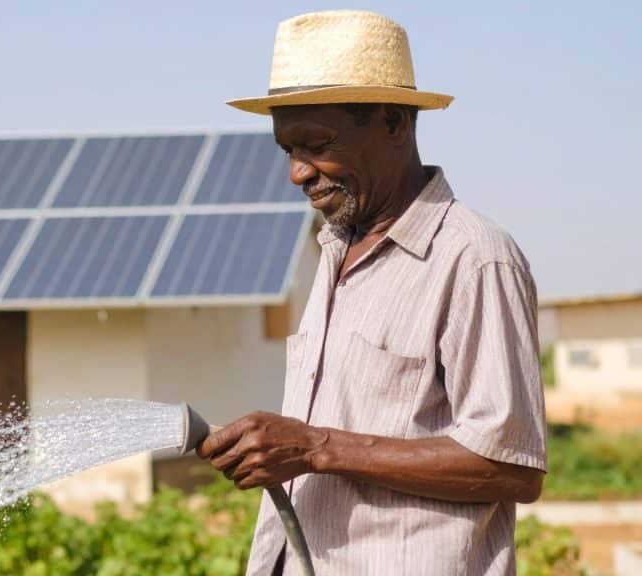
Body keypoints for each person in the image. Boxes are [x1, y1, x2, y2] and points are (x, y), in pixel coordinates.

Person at [196, 10, 547, 576]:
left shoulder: (473, 258)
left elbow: (512, 468)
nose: (297, 173)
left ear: (392, 123)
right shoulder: (335, 249)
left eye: (316, 144)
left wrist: (313, 447)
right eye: (287, 149)